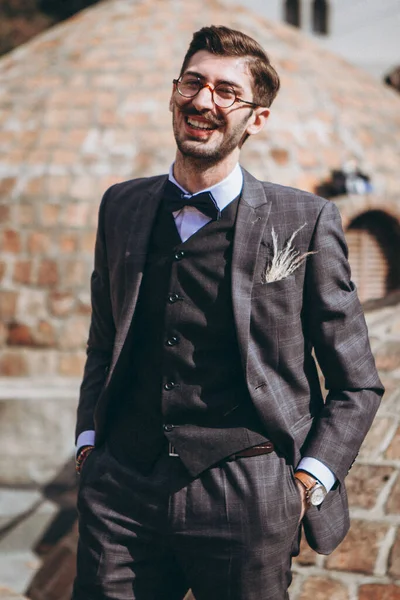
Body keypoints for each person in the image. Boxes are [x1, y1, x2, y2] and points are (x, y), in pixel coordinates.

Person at [72, 25, 384, 600]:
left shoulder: (304, 221)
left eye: (225, 91)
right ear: (174, 91)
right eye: (193, 82)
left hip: (247, 495)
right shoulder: (122, 205)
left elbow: (357, 383)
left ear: (256, 119)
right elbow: (105, 337)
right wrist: (89, 442)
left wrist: (305, 483)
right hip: (121, 492)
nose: (202, 101)